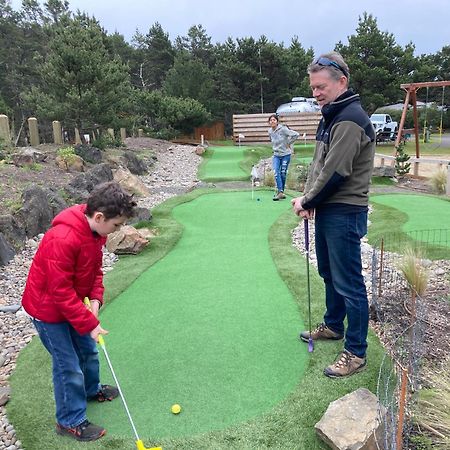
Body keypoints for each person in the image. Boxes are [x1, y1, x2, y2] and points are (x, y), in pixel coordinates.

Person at [22, 181, 137, 441]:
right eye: (116, 224)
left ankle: (90, 389)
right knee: (68, 366)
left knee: (87, 350)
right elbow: (59, 291)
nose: (117, 229)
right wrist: (90, 323)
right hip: (48, 312)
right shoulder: (63, 238)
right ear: (99, 216)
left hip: (71, 304)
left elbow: (95, 271)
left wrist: (95, 301)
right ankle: (70, 421)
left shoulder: (97, 233)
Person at [291, 52, 375, 378]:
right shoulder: (331, 116)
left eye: (321, 86)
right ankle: (333, 325)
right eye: (312, 88)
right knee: (328, 271)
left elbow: (337, 173)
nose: (316, 93)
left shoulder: (351, 118)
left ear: (342, 81)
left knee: (350, 282)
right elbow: (319, 166)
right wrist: (310, 199)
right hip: (328, 208)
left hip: (345, 210)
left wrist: (308, 199)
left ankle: (356, 352)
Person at [268, 114, 299, 201]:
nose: (272, 121)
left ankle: (281, 192)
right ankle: (280, 192)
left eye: (274, 120)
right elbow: (272, 140)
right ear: (269, 122)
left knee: (283, 173)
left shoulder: (283, 129)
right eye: (271, 120)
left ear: (277, 121)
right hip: (276, 155)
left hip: (286, 154)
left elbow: (296, 134)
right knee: (276, 172)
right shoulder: (270, 131)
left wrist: (288, 143)